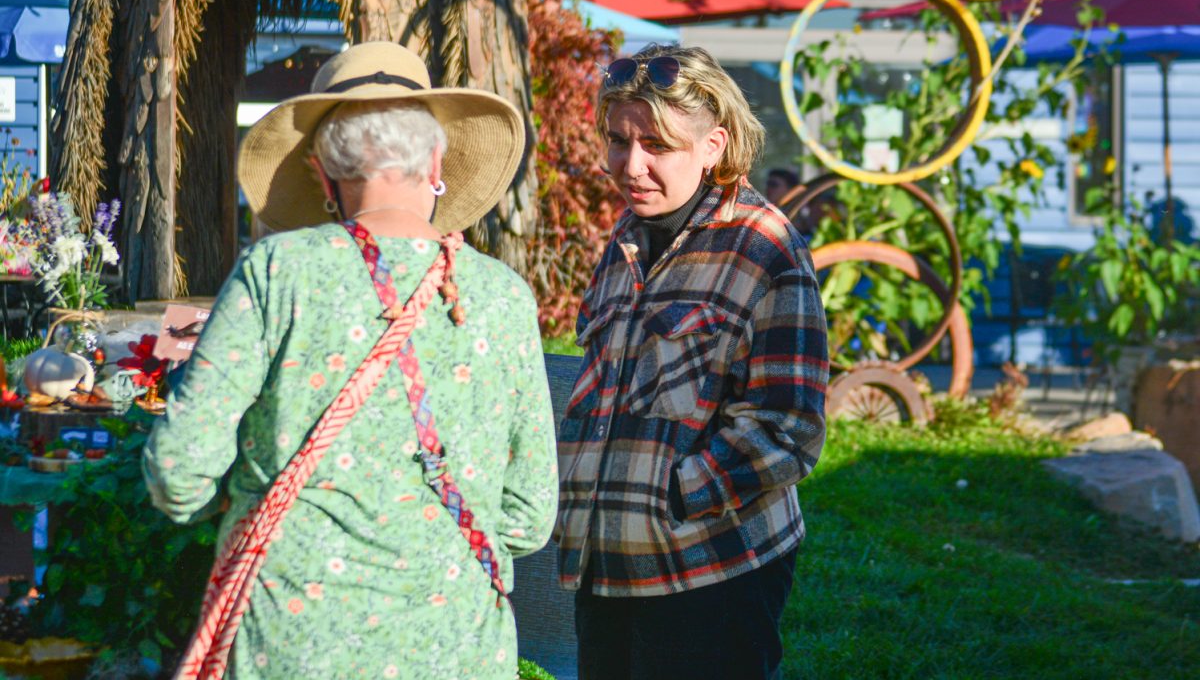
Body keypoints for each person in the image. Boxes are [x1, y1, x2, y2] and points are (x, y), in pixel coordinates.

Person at [144, 42, 558, 680]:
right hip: (458, 643)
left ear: (320, 171)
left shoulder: (280, 272)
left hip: (292, 638)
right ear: (438, 160)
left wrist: (239, 503)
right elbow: (529, 518)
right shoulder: (503, 296)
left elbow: (178, 472)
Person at [555, 44, 829, 680]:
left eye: (657, 144)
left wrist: (677, 495)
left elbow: (789, 426)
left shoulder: (765, 248)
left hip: (711, 568)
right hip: (606, 566)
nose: (632, 164)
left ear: (714, 146)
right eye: (619, 141)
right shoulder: (624, 239)